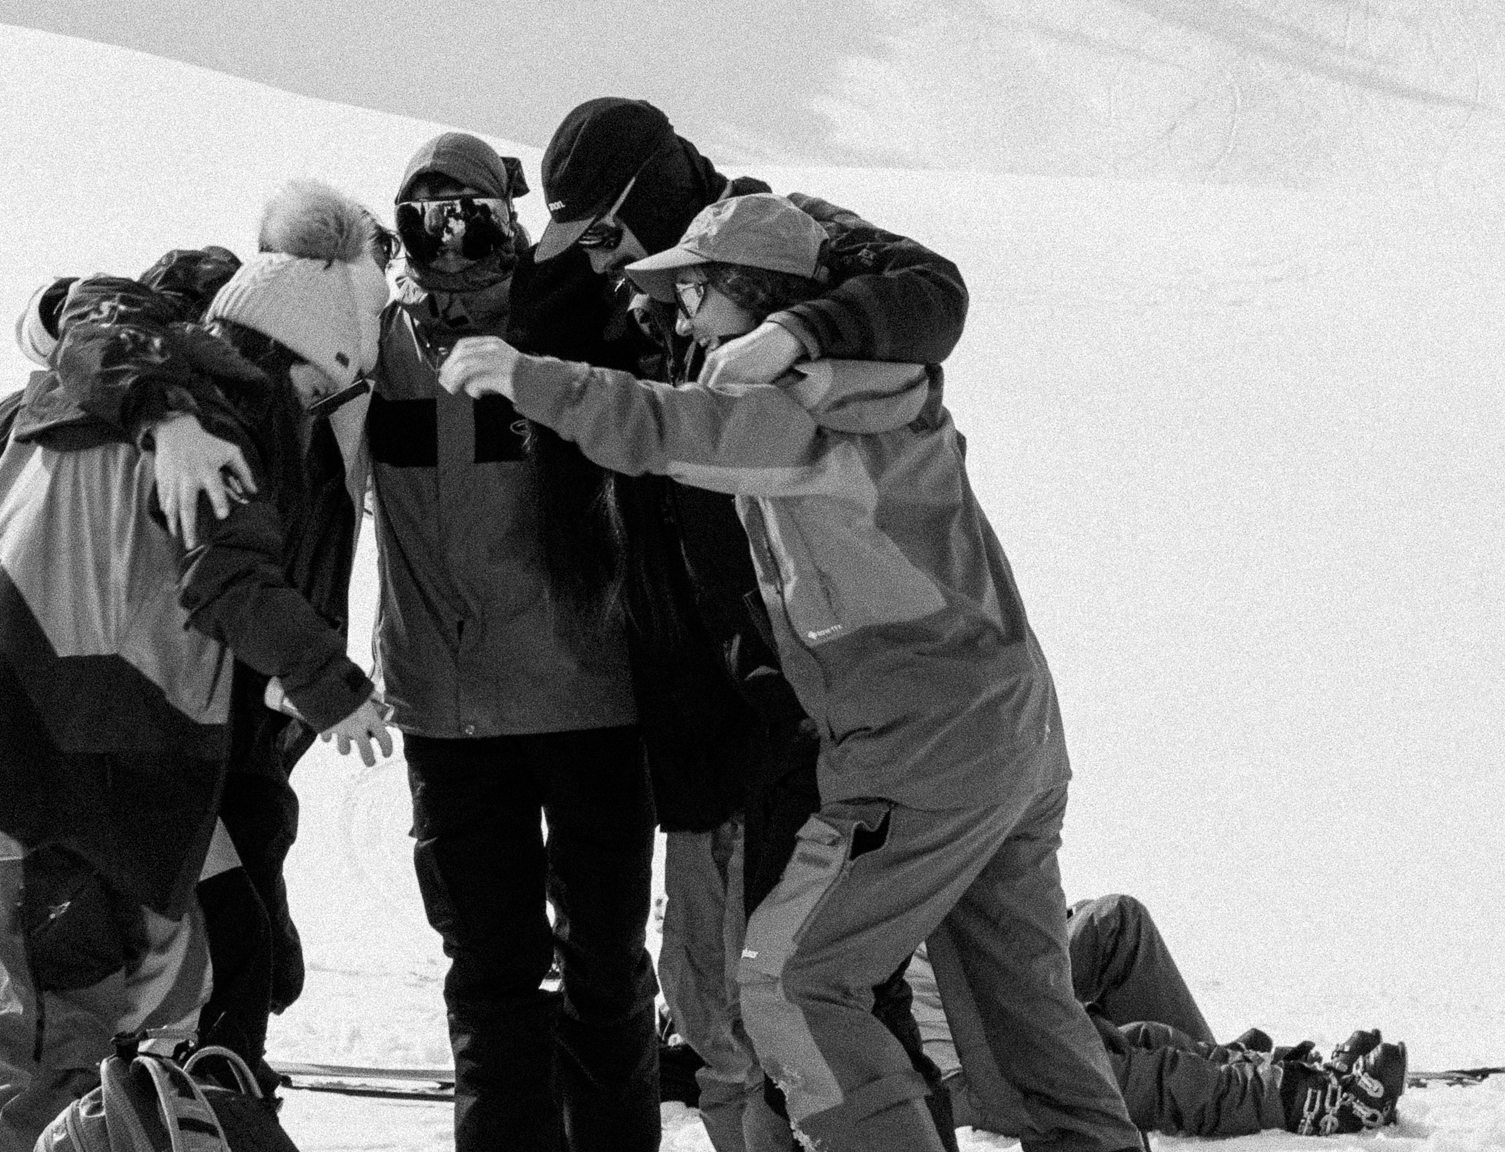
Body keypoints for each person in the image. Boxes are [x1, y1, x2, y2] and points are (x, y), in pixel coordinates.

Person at [442, 192, 1143, 1152]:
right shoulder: (885, 386)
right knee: (1021, 1003)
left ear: (748, 293)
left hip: (919, 749)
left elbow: (660, 428)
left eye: (694, 292)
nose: (683, 319)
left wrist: (526, 376)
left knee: (791, 979)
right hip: (1013, 734)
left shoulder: (804, 413)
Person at [0, 180, 394, 1152]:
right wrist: (329, 687)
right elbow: (225, 575)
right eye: (318, 389)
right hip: (40, 737)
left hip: (102, 748)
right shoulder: (186, 393)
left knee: (131, 992)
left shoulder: (181, 390)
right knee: (62, 1019)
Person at [529, 98, 970, 1152]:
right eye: (580, 240)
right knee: (712, 1007)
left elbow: (932, 291)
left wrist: (791, 332)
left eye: (606, 230)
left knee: (823, 996)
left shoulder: (786, 240)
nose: (598, 259)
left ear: (654, 193)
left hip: (808, 693)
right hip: (691, 702)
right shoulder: (616, 289)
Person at [373, 131, 661, 1152]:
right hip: (448, 712)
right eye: (425, 223)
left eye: (474, 219)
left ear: (512, 220)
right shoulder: (372, 341)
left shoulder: (569, 321)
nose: (452, 246)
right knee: (490, 971)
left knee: (604, 967)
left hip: (590, 698)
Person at [905, 894, 1409, 1140]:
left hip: (981, 988)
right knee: (1110, 1072)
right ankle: (1303, 1099)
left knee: (1116, 924)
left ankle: (1225, 1067)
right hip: (958, 1065)